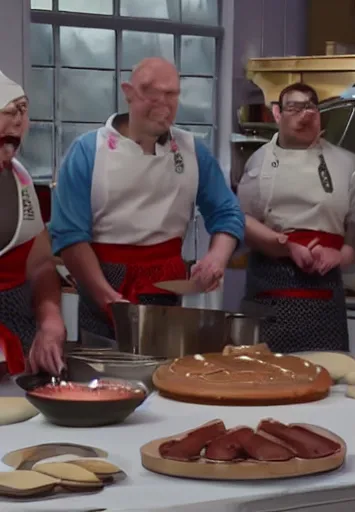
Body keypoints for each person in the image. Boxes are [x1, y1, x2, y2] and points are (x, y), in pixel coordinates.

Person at [50, 58, 244, 339]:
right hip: (102, 285)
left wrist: (216, 258)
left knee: (165, 369)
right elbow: (70, 238)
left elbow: (228, 213)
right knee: (104, 375)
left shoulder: (192, 151)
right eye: (151, 93)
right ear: (128, 92)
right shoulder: (89, 151)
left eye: (171, 94)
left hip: (167, 290)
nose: (163, 103)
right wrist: (107, 297)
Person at [237, 83, 355, 353]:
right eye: (294, 108)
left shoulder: (349, 164)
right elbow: (242, 223)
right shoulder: (258, 162)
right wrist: (285, 245)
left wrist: (338, 256)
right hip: (269, 290)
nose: (304, 115)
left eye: (310, 107)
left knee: (327, 376)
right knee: (265, 376)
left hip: (325, 294)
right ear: (278, 114)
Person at [0, 71, 66, 376]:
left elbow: (40, 264)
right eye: (10, 110)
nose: (19, 121)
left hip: (19, 351)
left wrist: (50, 319)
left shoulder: (20, 178)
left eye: (23, 110)